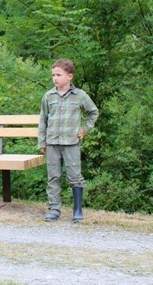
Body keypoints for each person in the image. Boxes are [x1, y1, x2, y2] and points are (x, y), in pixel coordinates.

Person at [38, 59, 99, 223]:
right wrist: (42, 142)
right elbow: (43, 119)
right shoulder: (48, 96)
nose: (55, 78)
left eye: (59, 75)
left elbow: (93, 113)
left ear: (69, 76)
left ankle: (77, 210)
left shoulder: (80, 96)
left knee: (74, 176)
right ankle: (54, 209)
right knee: (53, 177)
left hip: (71, 143)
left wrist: (84, 129)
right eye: (53, 75)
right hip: (52, 143)